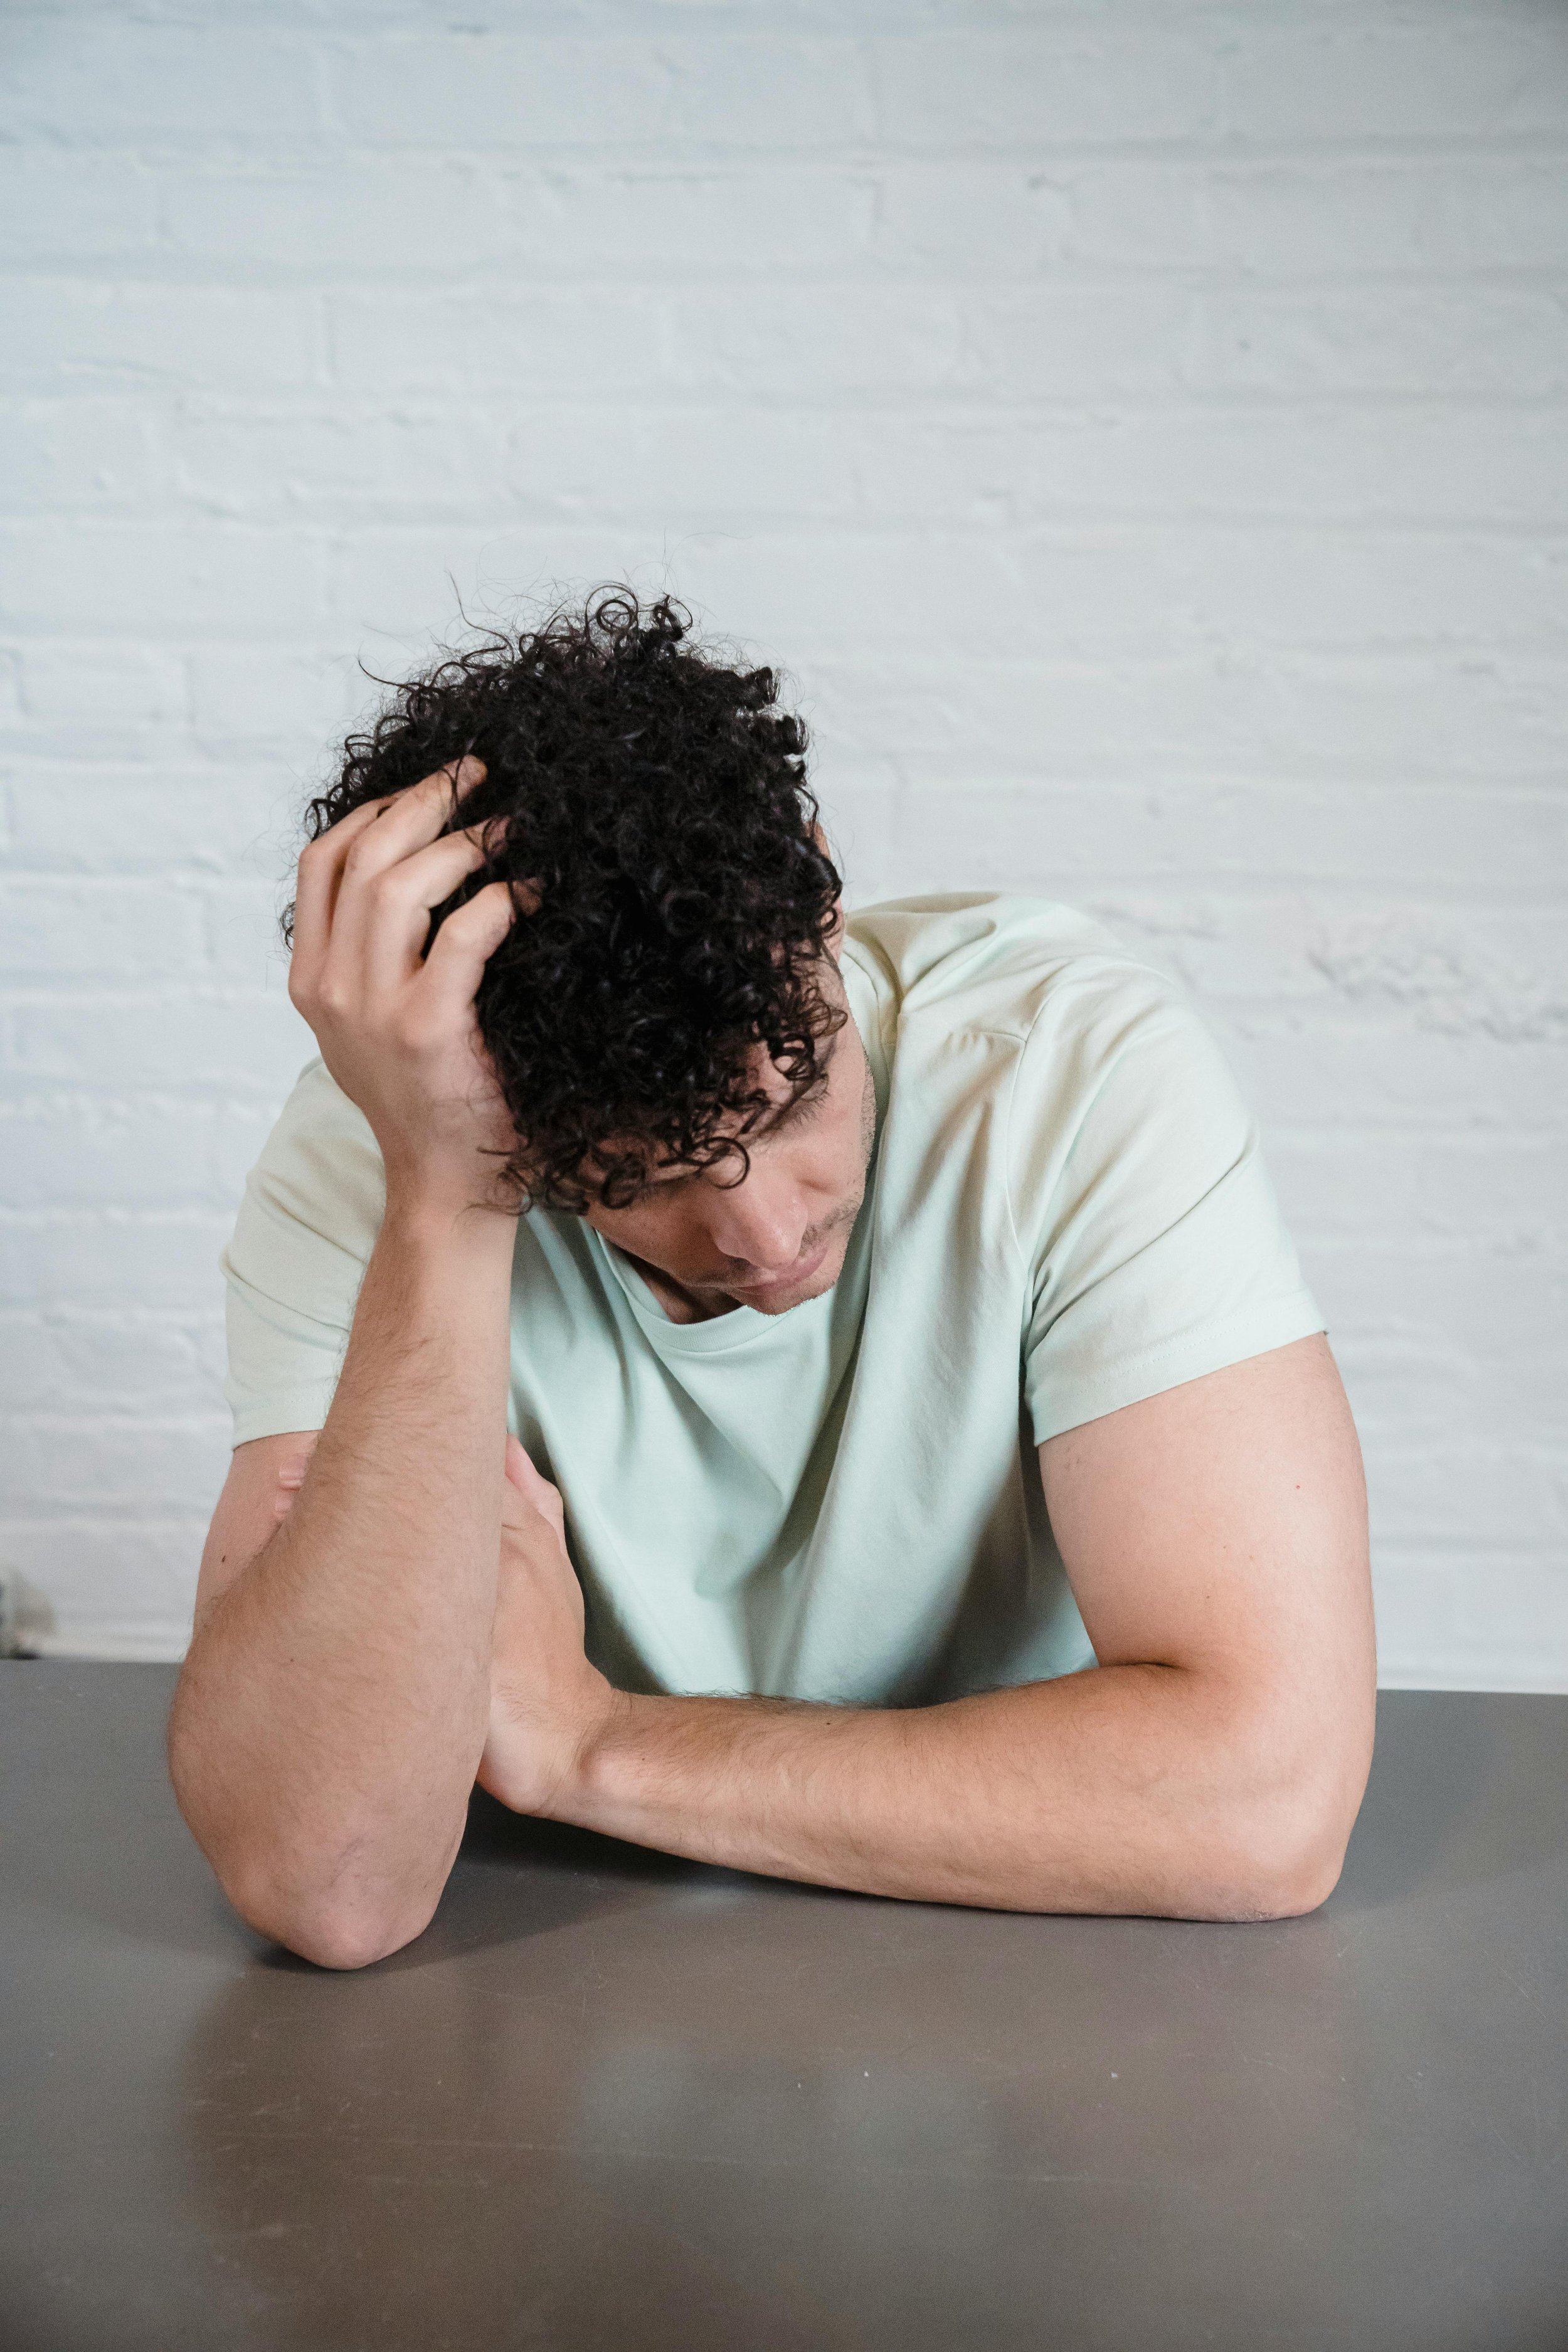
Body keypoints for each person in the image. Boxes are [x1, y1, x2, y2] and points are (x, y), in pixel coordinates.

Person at [167, 590, 1375, 1969]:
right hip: (579, 1999)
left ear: (821, 897)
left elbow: (1263, 1809)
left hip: (1043, 1978)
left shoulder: (1065, 1073)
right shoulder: (387, 1156)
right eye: (626, 1181)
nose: (756, 1237)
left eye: (792, 1097)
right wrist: (448, 1204)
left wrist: (589, 1746)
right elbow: (329, 1884)